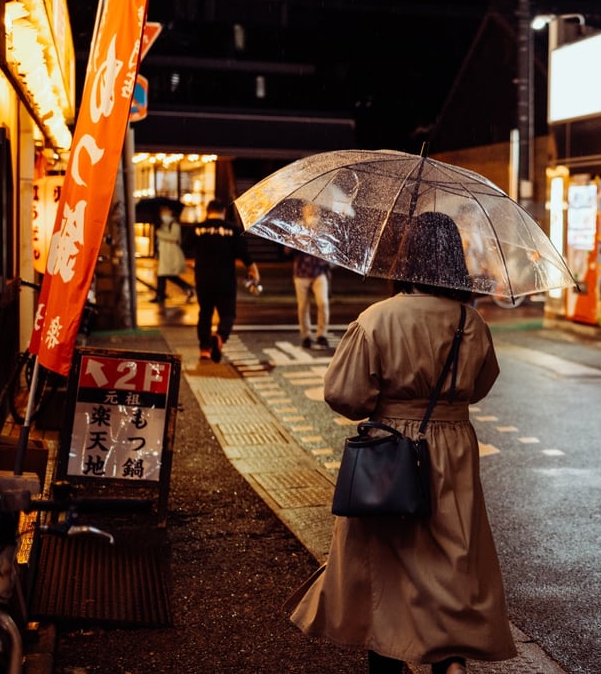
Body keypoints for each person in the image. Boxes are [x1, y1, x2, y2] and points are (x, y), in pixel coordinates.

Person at [286, 211, 516, 674]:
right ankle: (449, 657)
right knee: (450, 557)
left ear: (405, 258)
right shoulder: (469, 322)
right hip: (453, 450)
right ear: (454, 260)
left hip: (391, 450)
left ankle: (388, 658)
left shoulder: (378, 319)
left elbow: (343, 394)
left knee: (387, 565)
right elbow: (482, 382)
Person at [191, 199, 260, 362]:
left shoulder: (198, 229)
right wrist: (253, 270)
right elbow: (244, 254)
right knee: (228, 314)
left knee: (205, 313)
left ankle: (205, 349)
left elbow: (185, 247)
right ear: (223, 211)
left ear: (207, 211)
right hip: (225, 280)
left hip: (203, 279)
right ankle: (220, 336)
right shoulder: (233, 230)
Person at [292, 204, 332, 350]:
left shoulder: (323, 230)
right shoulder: (298, 229)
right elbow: (287, 250)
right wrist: (300, 238)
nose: (312, 215)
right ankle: (306, 336)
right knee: (303, 307)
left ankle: (322, 334)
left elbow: (329, 251)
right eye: (309, 212)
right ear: (304, 213)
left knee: (323, 303)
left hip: (318, 272)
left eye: (315, 213)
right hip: (301, 273)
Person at [151, 206, 195, 304]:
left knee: (164, 274)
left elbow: (175, 237)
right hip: (164, 254)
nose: (162, 213)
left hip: (171, 254)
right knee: (164, 275)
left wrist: (159, 234)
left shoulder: (174, 224)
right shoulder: (162, 225)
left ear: (170, 212)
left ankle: (161, 295)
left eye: (164, 211)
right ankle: (161, 295)